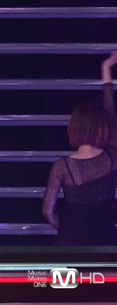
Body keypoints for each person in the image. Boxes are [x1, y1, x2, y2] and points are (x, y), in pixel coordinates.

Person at [42, 51, 117, 245]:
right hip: (108, 243)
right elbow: (110, 113)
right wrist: (106, 69)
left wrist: (66, 232)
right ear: (101, 127)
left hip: (72, 245)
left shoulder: (62, 167)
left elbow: (48, 211)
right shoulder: (111, 158)